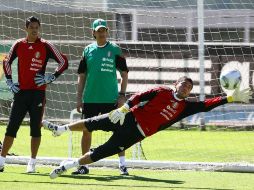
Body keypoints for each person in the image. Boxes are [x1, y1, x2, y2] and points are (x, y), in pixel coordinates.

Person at [42, 76, 252, 179]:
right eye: (183, 84)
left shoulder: (186, 106)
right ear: (176, 83)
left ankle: (68, 166)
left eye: (189, 87)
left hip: (137, 134)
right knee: (94, 122)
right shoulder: (161, 91)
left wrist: (230, 97)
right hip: (129, 118)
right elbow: (139, 97)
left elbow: (207, 106)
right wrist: (124, 109)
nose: (186, 88)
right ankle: (61, 130)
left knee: (103, 152)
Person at [0, 16, 68, 173]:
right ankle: (1, 161)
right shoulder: (18, 44)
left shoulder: (46, 45)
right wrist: (10, 81)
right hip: (21, 93)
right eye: (31, 27)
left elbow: (63, 62)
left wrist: (51, 77)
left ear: (40, 28)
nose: (34, 30)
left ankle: (32, 162)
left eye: (37, 27)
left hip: (38, 93)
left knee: (35, 128)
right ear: (26, 28)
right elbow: (6, 62)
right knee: (11, 127)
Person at [74, 18, 129, 175]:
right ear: (93, 32)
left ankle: (122, 165)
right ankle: (84, 165)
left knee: (118, 131)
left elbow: (124, 74)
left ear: (107, 31)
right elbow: (82, 75)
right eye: (98, 30)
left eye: (103, 30)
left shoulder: (115, 49)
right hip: (90, 99)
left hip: (110, 99)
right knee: (86, 131)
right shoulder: (87, 50)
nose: (101, 32)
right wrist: (79, 98)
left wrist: (122, 95)